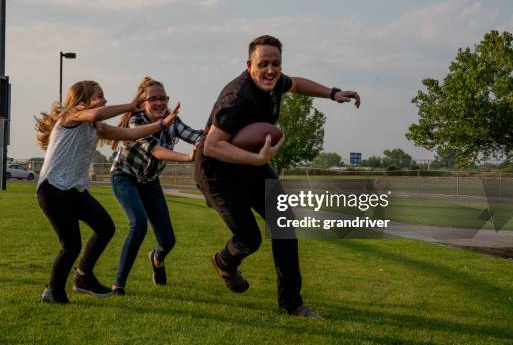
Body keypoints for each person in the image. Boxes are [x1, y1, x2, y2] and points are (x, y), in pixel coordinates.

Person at [194, 35, 361, 317]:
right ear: (250, 65)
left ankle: (292, 304)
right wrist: (258, 158)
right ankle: (225, 261)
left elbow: (296, 83)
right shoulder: (236, 98)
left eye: (276, 64)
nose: (270, 70)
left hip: (250, 165)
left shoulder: (276, 82)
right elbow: (212, 146)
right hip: (217, 173)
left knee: (284, 223)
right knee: (250, 239)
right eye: (263, 64)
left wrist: (333, 93)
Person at [35, 80, 180, 304]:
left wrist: (162, 125)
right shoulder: (71, 116)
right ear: (83, 101)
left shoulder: (96, 127)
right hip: (53, 190)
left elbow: (131, 134)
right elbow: (94, 114)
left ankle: (83, 276)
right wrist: (130, 106)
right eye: (99, 96)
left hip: (74, 190)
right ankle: (53, 291)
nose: (104, 100)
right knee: (72, 245)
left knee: (105, 227)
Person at [109, 77, 202, 295]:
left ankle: (156, 259)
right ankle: (118, 285)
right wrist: (188, 157)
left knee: (168, 241)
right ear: (143, 103)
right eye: (153, 99)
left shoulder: (173, 122)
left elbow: (196, 136)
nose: (160, 103)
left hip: (150, 182)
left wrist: (214, 136)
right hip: (125, 176)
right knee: (138, 223)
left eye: (163, 98)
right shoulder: (136, 121)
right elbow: (156, 150)